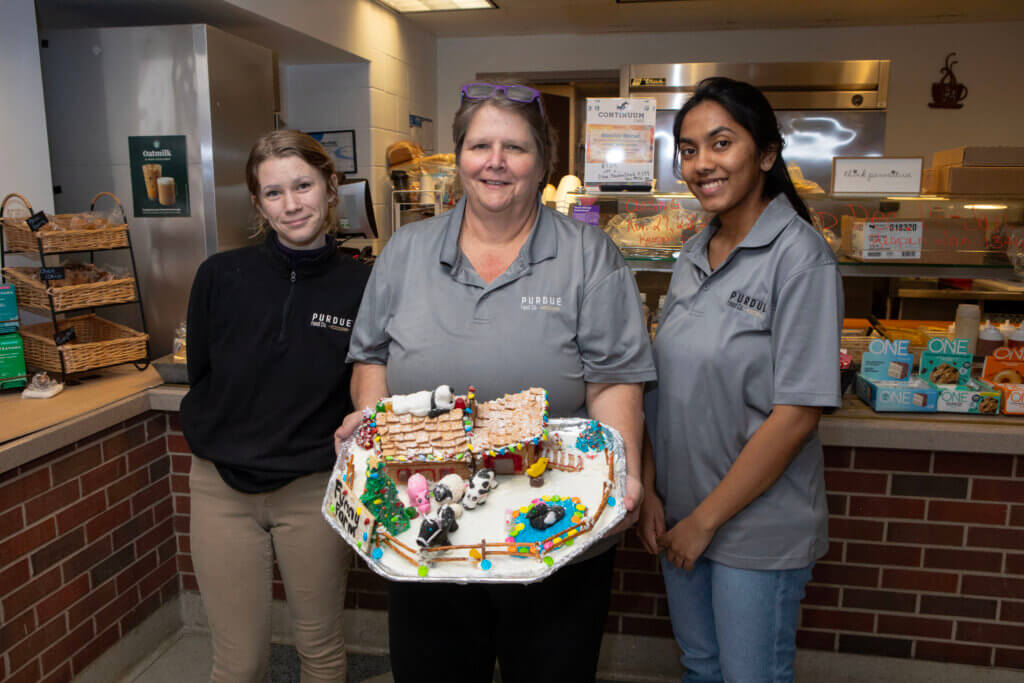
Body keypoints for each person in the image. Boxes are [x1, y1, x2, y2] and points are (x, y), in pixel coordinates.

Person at [346, 82, 656, 683]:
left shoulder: (589, 255)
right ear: (458, 156)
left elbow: (616, 379)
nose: (494, 161)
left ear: (542, 161)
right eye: (479, 145)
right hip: (427, 523)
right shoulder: (406, 251)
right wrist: (371, 421)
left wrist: (624, 474)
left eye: (514, 147)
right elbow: (371, 360)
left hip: (552, 521)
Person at [638, 77, 843, 682]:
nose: (703, 164)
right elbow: (664, 390)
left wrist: (704, 523)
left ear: (767, 154)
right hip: (681, 517)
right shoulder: (694, 254)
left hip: (753, 529)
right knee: (702, 667)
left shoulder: (800, 257)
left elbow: (797, 414)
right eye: (691, 149)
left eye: (721, 143)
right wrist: (653, 492)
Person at [180, 130, 370, 682]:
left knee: (321, 650)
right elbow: (203, 373)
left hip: (312, 487)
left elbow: (365, 385)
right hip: (220, 489)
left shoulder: (363, 286)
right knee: (236, 663)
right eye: (273, 193)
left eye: (303, 185)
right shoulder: (220, 275)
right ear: (259, 203)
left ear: (331, 187)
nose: (291, 205)